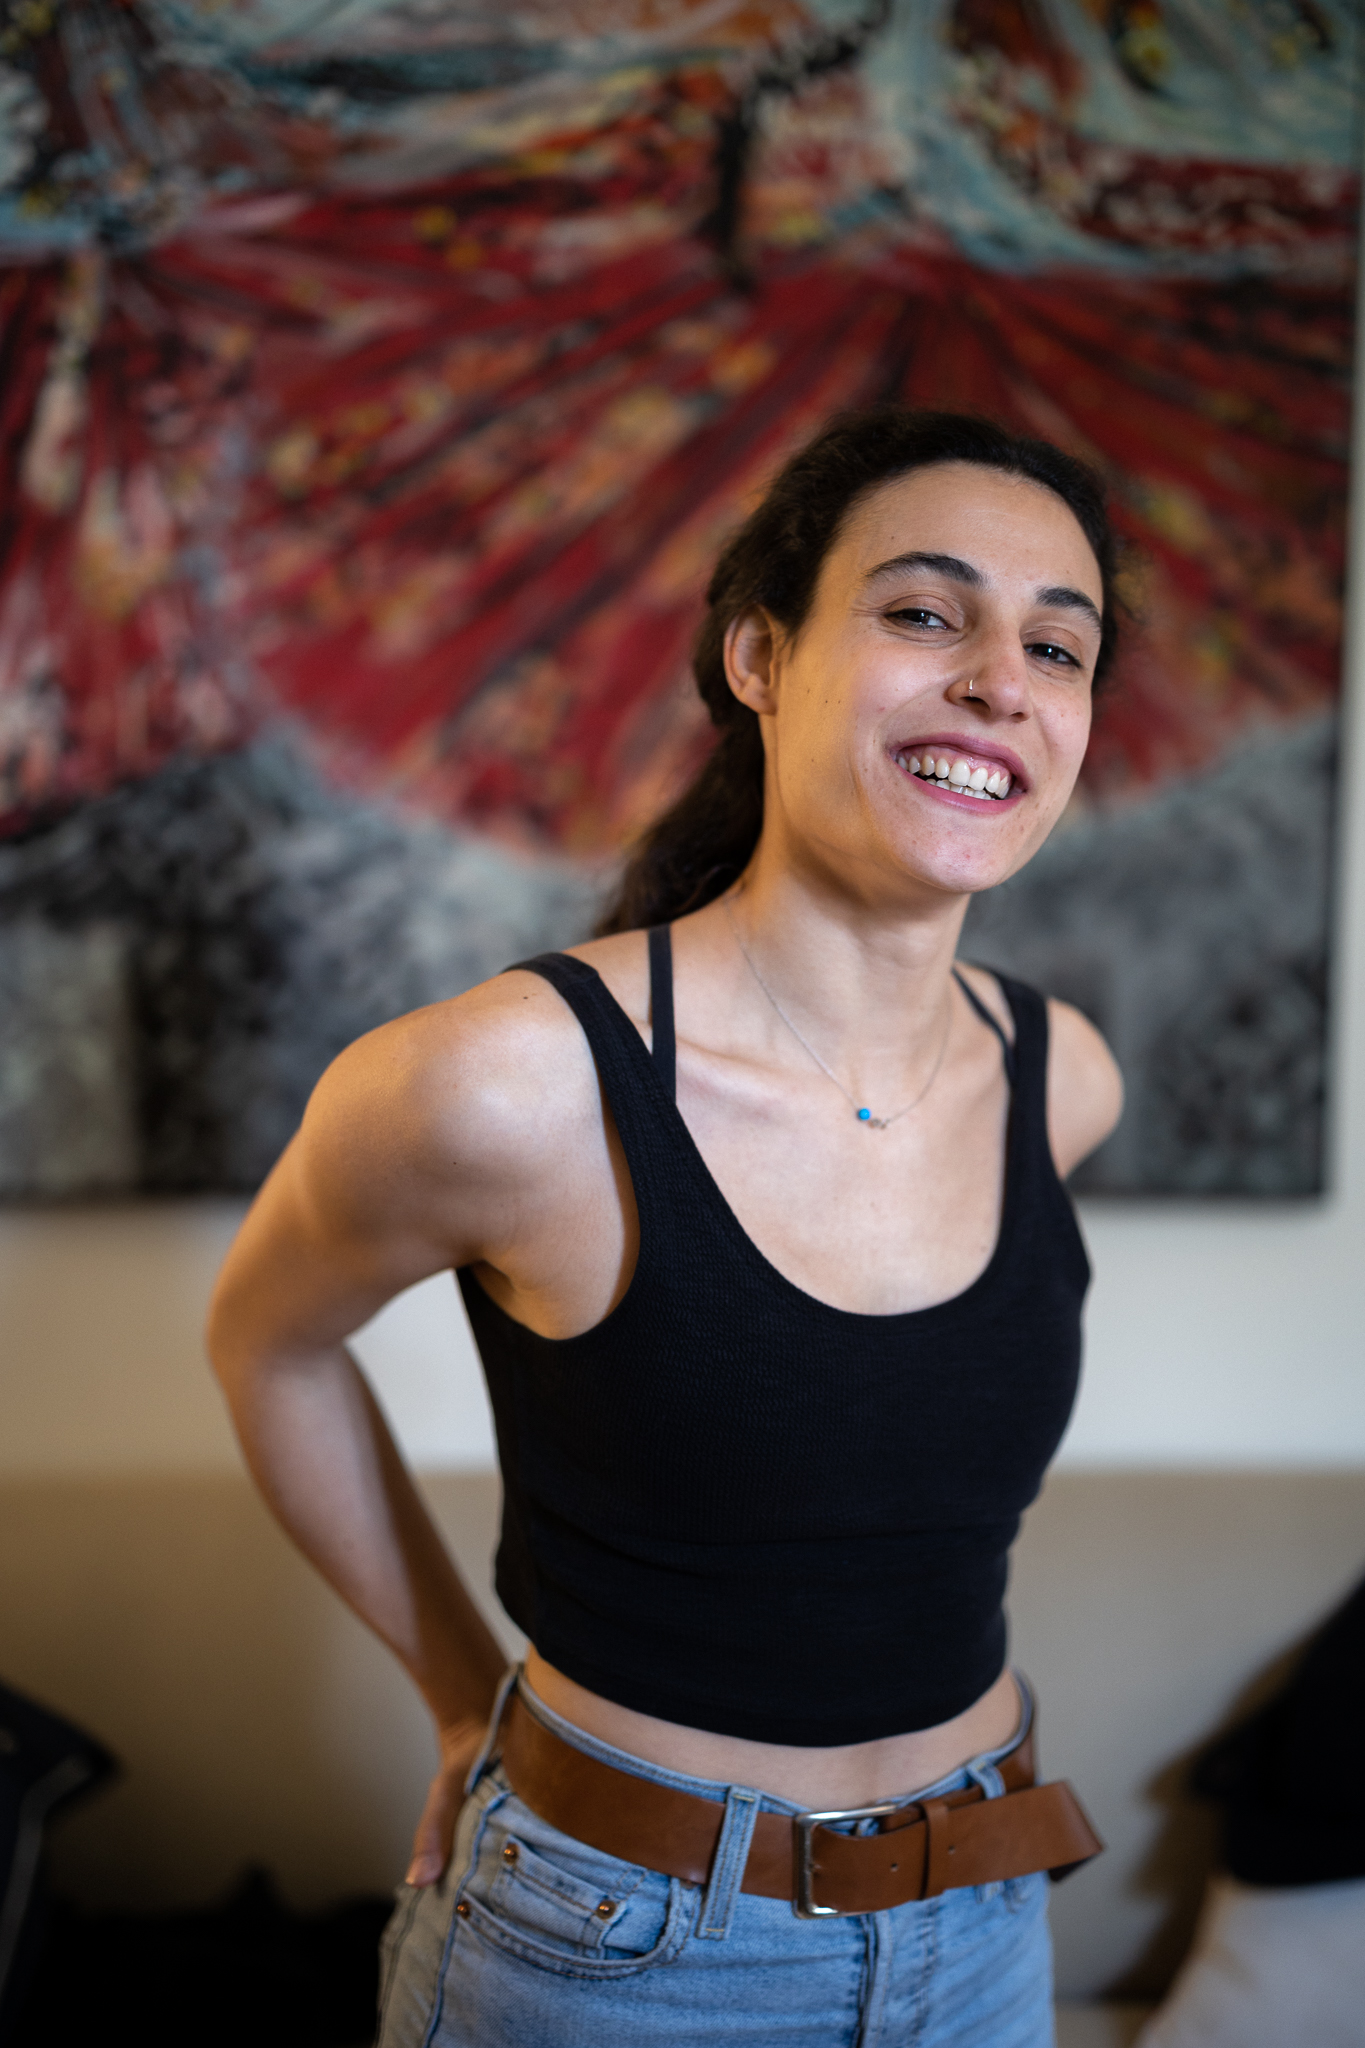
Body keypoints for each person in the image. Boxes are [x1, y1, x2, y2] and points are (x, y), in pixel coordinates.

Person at [207, 407, 1125, 2048]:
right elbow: (265, 1344)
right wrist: (456, 1700)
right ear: (759, 659)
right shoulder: (507, 1084)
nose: (1000, 680)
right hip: (615, 1955)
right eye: (925, 612)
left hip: (986, 1928)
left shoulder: (1063, 1079)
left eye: (1056, 647)